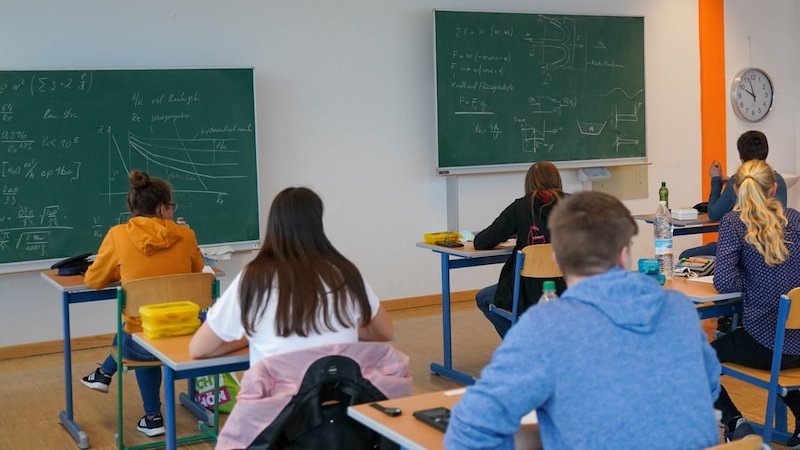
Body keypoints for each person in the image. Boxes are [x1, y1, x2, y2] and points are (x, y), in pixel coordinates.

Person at [445, 191, 721, 450]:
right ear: (624, 255)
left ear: (556, 259)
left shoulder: (546, 326)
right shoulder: (679, 309)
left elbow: (469, 428)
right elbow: (709, 386)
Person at [189, 186, 394, 366]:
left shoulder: (254, 278)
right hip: (337, 400)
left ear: (274, 225)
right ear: (318, 224)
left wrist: (251, 338)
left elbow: (199, 349)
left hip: (278, 406)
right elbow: (385, 332)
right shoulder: (345, 272)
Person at [80, 170, 205, 437]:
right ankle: (103, 375)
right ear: (162, 208)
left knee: (135, 327)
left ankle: (151, 416)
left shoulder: (118, 235)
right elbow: (199, 272)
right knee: (137, 326)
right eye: (171, 207)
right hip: (187, 333)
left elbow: (93, 280)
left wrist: (121, 271)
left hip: (143, 343)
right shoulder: (187, 235)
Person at [712, 159, 800, 445]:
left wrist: (751, 283)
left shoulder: (734, 223)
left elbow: (724, 283)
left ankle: (735, 421)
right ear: (774, 188)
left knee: (695, 357)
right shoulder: (795, 219)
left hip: (766, 343)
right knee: (781, 355)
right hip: (799, 341)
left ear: (736, 189)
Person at [473, 161, 566, 338]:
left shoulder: (520, 207)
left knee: (483, 298)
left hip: (527, 293)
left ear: (528, 183)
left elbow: (482, 241)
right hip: (568, 291)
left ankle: (520, 346)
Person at [680, 130, 787, 259]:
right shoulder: (779, 180)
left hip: (743, 249)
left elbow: (714, 214)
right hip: (774, 246)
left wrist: (716, 180)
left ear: (740, 155)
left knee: (685, 256)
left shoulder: (737, 182)